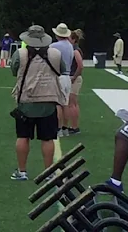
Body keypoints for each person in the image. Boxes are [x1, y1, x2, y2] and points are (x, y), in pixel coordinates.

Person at [10, 25, 67, 181]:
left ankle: (22, 172)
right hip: (48, 101)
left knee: (23, 137)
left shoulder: (20, 54)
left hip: (26, 101)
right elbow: (62, 70)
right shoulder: (55, 54)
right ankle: (48, 173)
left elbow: (14, 71)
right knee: (48, 138)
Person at [50, 23, 74, 138]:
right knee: (66, 104)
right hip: (68, 77)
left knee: (57, 104)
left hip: (59, 76)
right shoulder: (70, 45)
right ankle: (65, 128)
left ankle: (58, 129)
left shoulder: (54, 46)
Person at [66, 29, 84, 136]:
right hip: (74, 77)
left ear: (73, 40)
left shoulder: (75, 50)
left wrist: (74, 77)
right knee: (72, 103)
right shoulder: (74, 49)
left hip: (74, 78)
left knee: (72, 104)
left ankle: (75, 127)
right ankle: (74, 126)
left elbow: (80, 65)